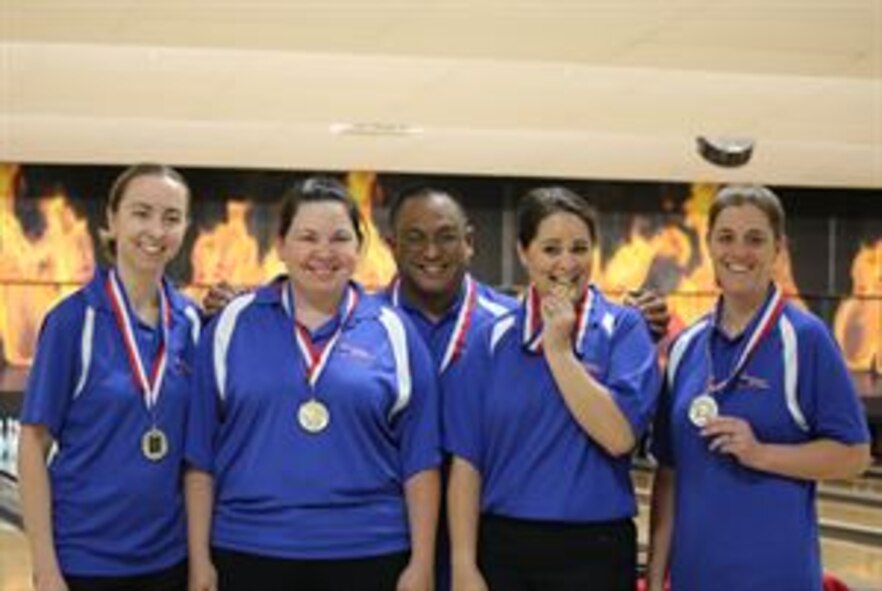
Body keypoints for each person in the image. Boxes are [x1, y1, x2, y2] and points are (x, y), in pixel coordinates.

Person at [184, 176, 441, 591]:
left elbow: (420, 462)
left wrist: (422, 564)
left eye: (340, 238)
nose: (324, 252)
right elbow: (200, 457)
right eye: (307, 237)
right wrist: (200, 562)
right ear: (281, 245)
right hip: (249, 549)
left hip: (370, 552)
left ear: (359, 248)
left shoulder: (394, 330)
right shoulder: (232, 324)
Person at [646, 185, 872, 591]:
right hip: (695, 580)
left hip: (778, 579)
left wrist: (761, 453)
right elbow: (669, 476)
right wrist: (655, 575)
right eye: (726, 237)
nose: (739, 252)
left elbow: (854, 455)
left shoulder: (806, 338)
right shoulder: (685, 347)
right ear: (710, 244)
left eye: (755, 239)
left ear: (778, 249)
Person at [445, 186, 661, 591]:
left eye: (580, 248)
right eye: (550, 248)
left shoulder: (624, 330)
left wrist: (559, 351)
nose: (567, 262)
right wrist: (462, 563)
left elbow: (618, 437)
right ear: (524, 252)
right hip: (504, 549)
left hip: (595, 550)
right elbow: (467, 463)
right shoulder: (489, 339)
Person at [18, 163, 199, 591]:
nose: (156, 229)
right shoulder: (72, 321)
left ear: (186, 228)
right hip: (85, 559)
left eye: (171, 217)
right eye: (141, 213)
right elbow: (32, 443)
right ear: (112, 220)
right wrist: (45, 567)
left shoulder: (190, 321)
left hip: (168, 557)